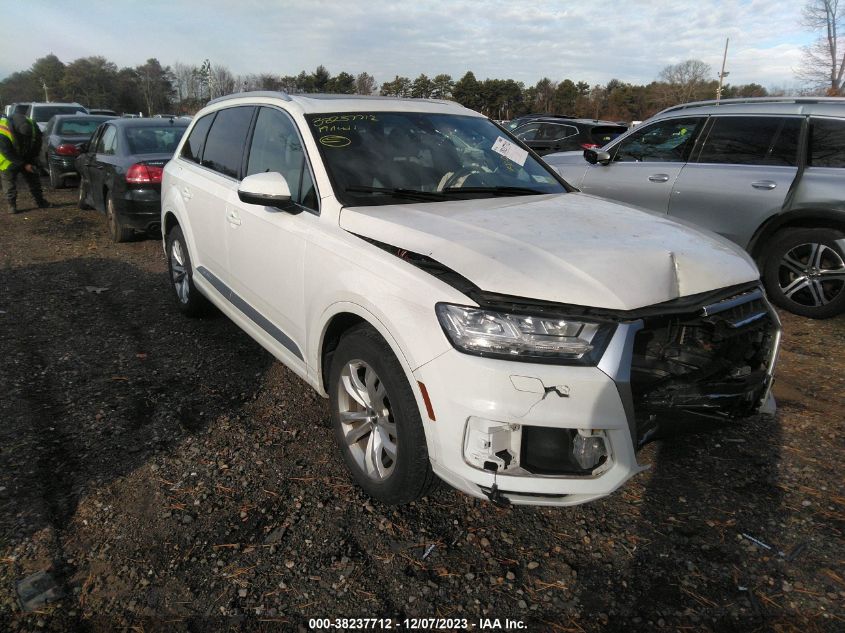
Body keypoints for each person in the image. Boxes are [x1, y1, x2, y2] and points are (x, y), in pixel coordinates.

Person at [0, 112, 50, 214]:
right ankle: (11, 205)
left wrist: (34, 159)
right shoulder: (2, 130)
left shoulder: (32, 125)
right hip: (8, 159)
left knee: (34, 180)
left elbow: (38, 142)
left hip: (27, 155)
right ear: (15, 131)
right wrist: (24, 164)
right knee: (9, 184)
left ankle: (40, 202)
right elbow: (6, 152)